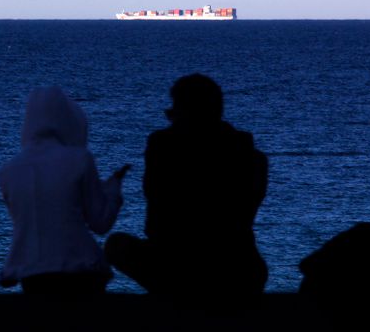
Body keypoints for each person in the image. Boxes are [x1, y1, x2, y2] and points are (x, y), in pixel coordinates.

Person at [104, 73, 268, 306]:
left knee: (117, 245)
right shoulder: (255, 159)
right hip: (242, 272)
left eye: (173, 111)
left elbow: (156, 211)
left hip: (179, 271)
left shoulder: (163, 146)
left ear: (184, 111)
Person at [0, 86, 129, 294]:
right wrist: (113, 188)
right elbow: (100, 222)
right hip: (81, 270)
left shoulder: (8, 171)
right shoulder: (79, 159)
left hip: (32, 276)